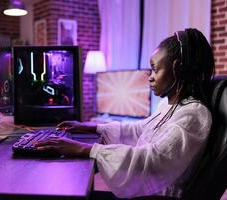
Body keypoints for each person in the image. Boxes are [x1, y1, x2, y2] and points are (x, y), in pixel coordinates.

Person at [35, 28, 215, 199]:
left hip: (156, 196)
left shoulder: (194, 115)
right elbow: (139, 130)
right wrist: (92, 128)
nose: (150, 76)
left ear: (177, 69)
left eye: (155, 69)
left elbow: (152, 160)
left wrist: (84, 149)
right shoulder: (168, 105)